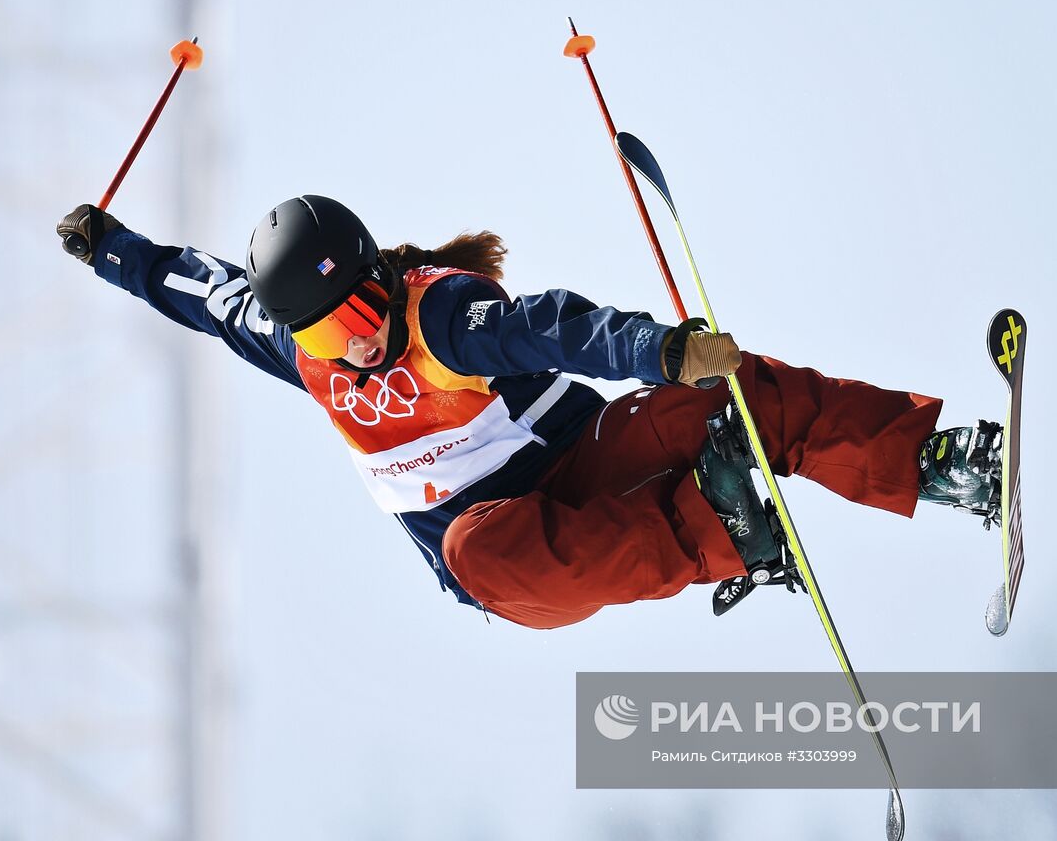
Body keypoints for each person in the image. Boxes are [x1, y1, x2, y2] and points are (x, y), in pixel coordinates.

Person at [57, 197, 1002, 628]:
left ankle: (941, 465)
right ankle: (722, 526)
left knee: (728, 393)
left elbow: (558, 328)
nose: (355, 342)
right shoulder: (307, 354)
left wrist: (663, 353)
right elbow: (205, 293)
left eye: (356, 310)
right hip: (503, 545)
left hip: (586, 459)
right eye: (326, 331)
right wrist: (112, 249)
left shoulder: (437, 315)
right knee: (477, 552)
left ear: (375, 276)